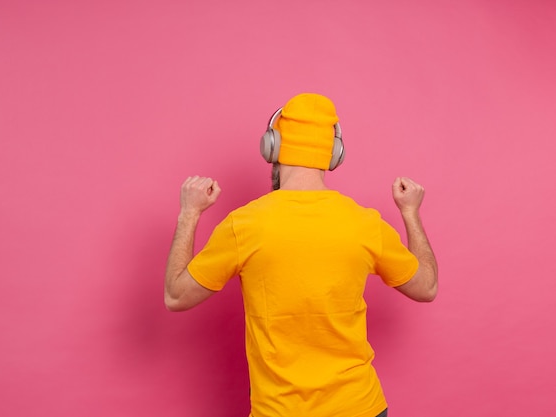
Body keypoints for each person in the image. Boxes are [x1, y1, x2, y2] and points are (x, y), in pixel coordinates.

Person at [164, 93, 438, 417]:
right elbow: (426, 287)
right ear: (333, 154)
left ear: (272, 146)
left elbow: (176, 296)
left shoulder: (244, 224)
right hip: (361, 408)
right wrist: (410, 213)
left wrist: (189, 214)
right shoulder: (365, 223)